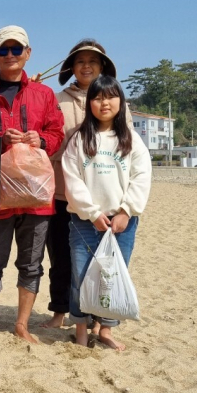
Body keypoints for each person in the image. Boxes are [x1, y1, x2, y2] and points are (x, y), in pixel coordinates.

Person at [0, 25, 64, 343]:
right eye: (3, 50)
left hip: (37, 196)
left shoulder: (44, 94)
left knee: (31, 264)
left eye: (16, 49)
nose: (9, 55)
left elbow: (57, 133)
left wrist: (42, 139)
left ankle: (22, 324)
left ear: (27, 53)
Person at [41, 39, 132, 329]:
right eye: (80, 61)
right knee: (61, 258)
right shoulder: (56, 99)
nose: (87, 66)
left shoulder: (118, 103)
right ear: (72, 67)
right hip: (59, 192)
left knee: (102, 261)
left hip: (105, 199)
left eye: (93, 61)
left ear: (103, 66)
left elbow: (127, 149)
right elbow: (47, 138)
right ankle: (59, 312)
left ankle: (96, 317)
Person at [62, 75, 151, 350]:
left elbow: (142, 176)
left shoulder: (130, 139)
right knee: (81, 275)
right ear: (89, 103)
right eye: (98, 98)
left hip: (122, 222)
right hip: (84, 222)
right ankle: (80, 328)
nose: (104, 103)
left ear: (121, 102)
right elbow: (72, 178)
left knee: (112, 276)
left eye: (111, 97)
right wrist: (91, 213)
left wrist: (126, 211)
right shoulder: (80, 138)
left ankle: (105, 329)